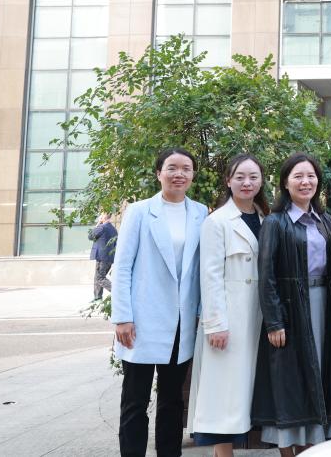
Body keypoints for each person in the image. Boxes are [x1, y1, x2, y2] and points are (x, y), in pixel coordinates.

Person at [111, 147, 208, 457]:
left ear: (193, 175)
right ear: (159, 173)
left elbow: (201, 269)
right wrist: (122, 317)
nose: (179, 174)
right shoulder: (140, 211)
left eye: (186, 169)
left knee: (171, 399)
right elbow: (122, 266)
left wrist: (202, 313)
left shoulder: (200, 212)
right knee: (135, 400)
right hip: (141, 319)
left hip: (181, 321)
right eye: (172, 168)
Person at [252, 153, 331, 455]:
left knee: (318, 373)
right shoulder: (275, 223)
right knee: (290, 379)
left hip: (323, 305)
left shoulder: (326, 220)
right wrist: (274, 321)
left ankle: (312, 447)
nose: (305, 182)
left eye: (311, 176)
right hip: (291, 310)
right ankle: (288, 450)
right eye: (298, 176)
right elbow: (266, 276)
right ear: (285, 183)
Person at [187, 154, 269, 456]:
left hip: (259, 317)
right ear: (228, 180)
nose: (247, 183)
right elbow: (209, 277)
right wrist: (216, 324)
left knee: (242, 391)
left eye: (253, 177)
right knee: (222, 393)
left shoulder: (265, 218)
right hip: (230, 320)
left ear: (261, 181)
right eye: (240, 177)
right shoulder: (217, 221)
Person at [89, 212, 118, 300]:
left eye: (101, 215)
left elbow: (90, 236)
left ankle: (118, 292)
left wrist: (98, 223)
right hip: (109, 258)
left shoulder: (101, 227)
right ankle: (97, 298)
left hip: (102, 258)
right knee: (97, 278)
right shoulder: (113, 229)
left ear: (104, 217)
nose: (99, 217)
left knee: (100, 278)